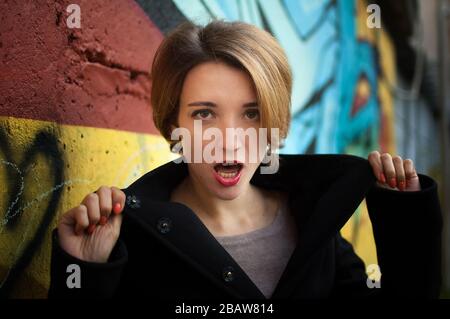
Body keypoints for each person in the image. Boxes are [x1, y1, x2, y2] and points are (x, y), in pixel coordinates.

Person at [48, 20, 442, 299]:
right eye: (204, 113)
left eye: (251, 114)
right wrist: (83, 274)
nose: (230, 140)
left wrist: (405, 220)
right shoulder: (129, 240)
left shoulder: (311, 221)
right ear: (174, 122)